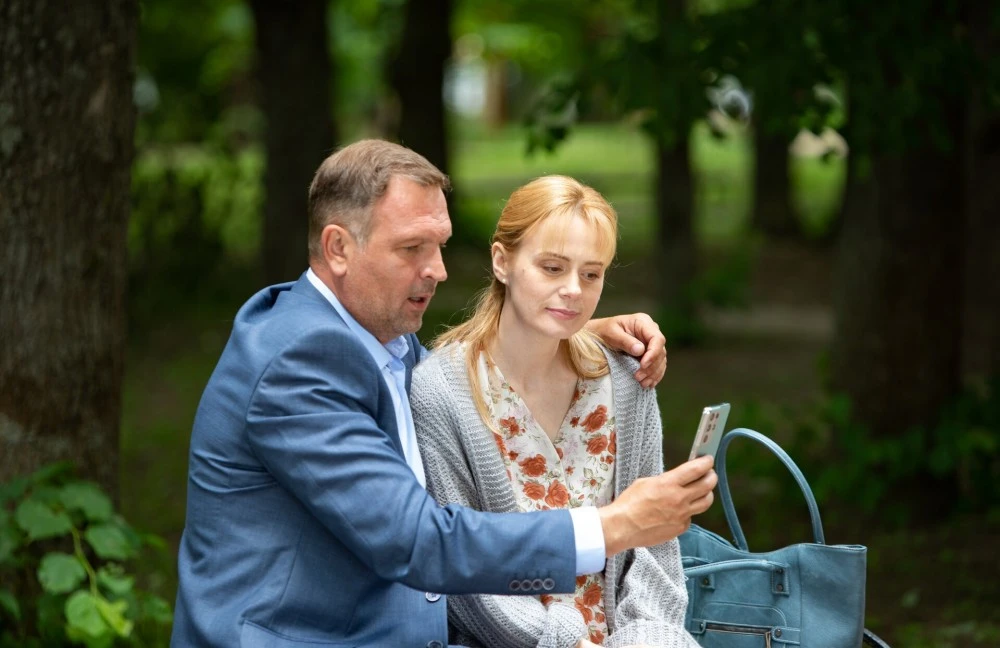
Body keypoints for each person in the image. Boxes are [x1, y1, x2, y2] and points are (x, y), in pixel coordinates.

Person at [171, 140, 717, 647]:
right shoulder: (299, 363)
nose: (438, 270)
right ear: (338, 247)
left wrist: (564, 333)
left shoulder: (375, 338)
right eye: (412, 248)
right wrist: (617, 524)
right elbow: (419, 541)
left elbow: (470, 372)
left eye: (440, 245)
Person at [411, 176, 700, 648]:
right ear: (502, 261)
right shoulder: (442, 392)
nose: (573, 290)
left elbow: (653, 547)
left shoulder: (626, 379)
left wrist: (648, 639)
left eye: (591, 274)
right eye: (552, 268)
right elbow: (461, 569)